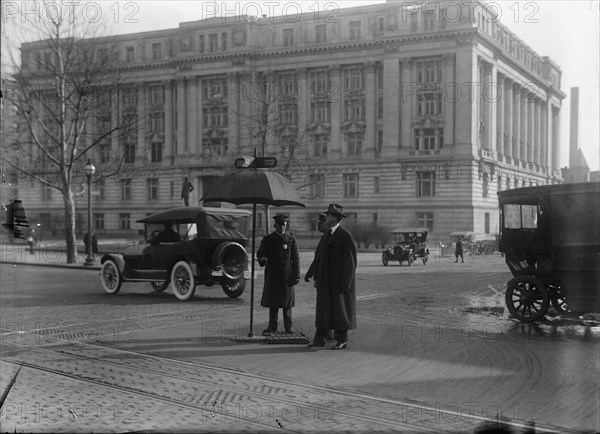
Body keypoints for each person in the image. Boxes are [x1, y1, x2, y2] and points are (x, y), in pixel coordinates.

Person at [307, 204, 357, 350]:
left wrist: (345, 283)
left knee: (340, 311)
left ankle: (342, 339)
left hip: (338, 283)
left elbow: (350, 262)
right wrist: (311, 273)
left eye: (328, 215)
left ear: (335, 218)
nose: (326, 217)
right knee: (324, 310)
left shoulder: (345, 236)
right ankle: (319, 339)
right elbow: (319, 257)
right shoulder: (327, 235)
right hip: (325, 281)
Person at [257, 215, 300, 335]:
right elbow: (261, 254)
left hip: (287, 276)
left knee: (287, 304)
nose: (282, 227)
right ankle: (272, 326)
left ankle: (288, 327)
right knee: (273, 303)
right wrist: (261, 259)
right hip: (273, 275)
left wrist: (296, 275)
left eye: (285, 225)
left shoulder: (291, 239)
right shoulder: (268, 239)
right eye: (280, 225)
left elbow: (295, 259)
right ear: (275, 225)